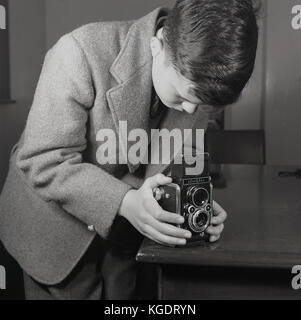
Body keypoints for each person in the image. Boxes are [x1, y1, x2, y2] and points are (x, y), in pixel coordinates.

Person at [0, 0, 259, 300]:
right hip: (51, 233)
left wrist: (192, 201)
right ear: (158, 45)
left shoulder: (197, 85)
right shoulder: (78, 52)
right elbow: (42, 160)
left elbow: (171, 167)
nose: (191, 109)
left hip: (122, 239)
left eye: (203, 104)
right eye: (184, 95)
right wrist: (126, 201)